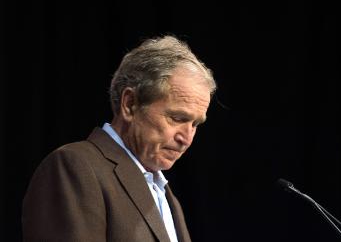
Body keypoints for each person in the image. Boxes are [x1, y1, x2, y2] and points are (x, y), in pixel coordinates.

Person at [22, 35, 217, 242]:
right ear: (130, 104)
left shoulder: (166, 195)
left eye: (195, 125)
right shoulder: (75, 167)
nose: (186, 138)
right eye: (177, 118)